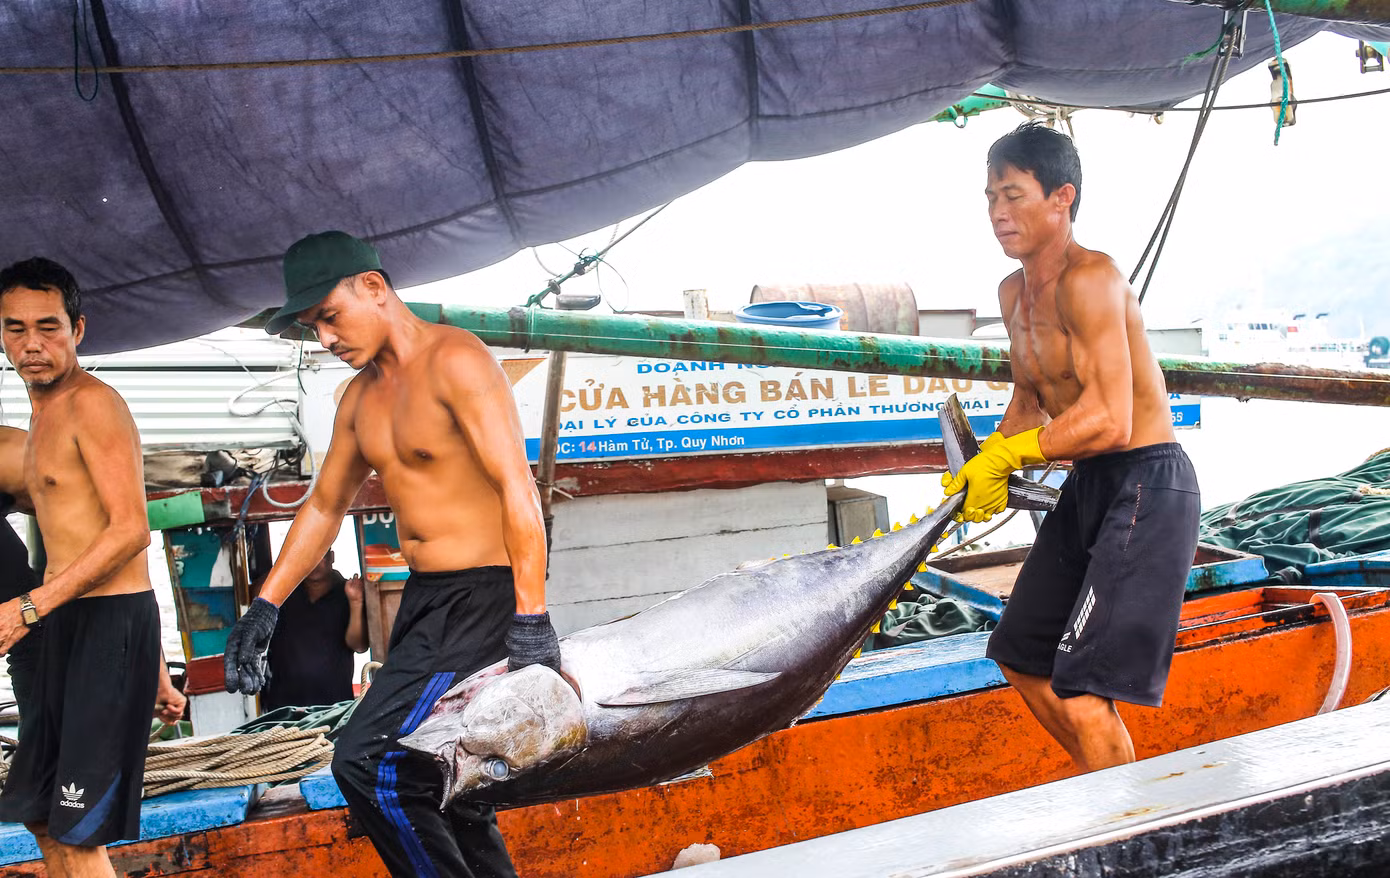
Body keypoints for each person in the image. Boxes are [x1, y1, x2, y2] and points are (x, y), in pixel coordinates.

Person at [223, 231, 558, 877]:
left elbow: (519, 485)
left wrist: (532, 617)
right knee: (451, 782)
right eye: (311, 325)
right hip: (425, 598)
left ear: (373, 288)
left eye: (329, 316)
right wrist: (263, 607)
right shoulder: (358, 398)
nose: (324, 338)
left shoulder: (457, 360)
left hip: (484, 594)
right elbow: (323, 507)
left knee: (370, 764)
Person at [942, 123, 1200, 773]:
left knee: (1084, 694)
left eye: (1014, 195)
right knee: (1022, 656)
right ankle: (1105, 791)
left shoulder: (1093, 279)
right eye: (989, 198)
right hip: (1089, 483)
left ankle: (1128, 834)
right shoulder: (1012, 294)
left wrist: (1011, 457)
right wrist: (983, 466)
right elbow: (1030, 401)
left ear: (1062, 197)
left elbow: (1110, 420)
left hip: (1145, 482)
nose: (998, 214)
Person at [0, 258, 185, 878]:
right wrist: (159, 666)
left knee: (79, 832)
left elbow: (132, 530)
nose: (32, 344)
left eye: (48, 327)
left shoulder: (94, 406)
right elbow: (78, 543)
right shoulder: (40, 418)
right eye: (15, 328)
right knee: (41, 814)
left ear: (78, 329)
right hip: (69, 629)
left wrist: (30, 607)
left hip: (105, 628)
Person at [258, 549, 368, 711]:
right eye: (307, 557)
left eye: (320, 555)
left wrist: (356, 602)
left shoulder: (349, 592)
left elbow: (359, 646)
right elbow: (252, 594)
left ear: (331, 558)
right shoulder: (281, 594)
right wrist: (284, 569)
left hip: (334, 705)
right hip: (283, 707)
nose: (314, 563)